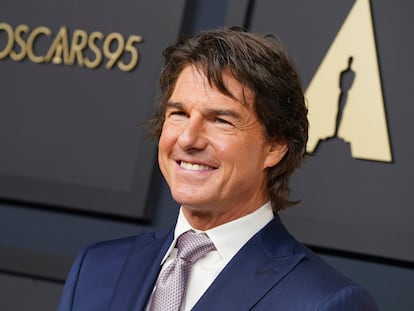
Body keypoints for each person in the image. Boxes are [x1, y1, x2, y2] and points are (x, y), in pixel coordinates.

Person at [57, 27, 379, 310]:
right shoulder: (95, 268)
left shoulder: (326, 302)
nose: (188, 138)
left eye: (220, 120)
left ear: (275, 146)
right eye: (179, 114)